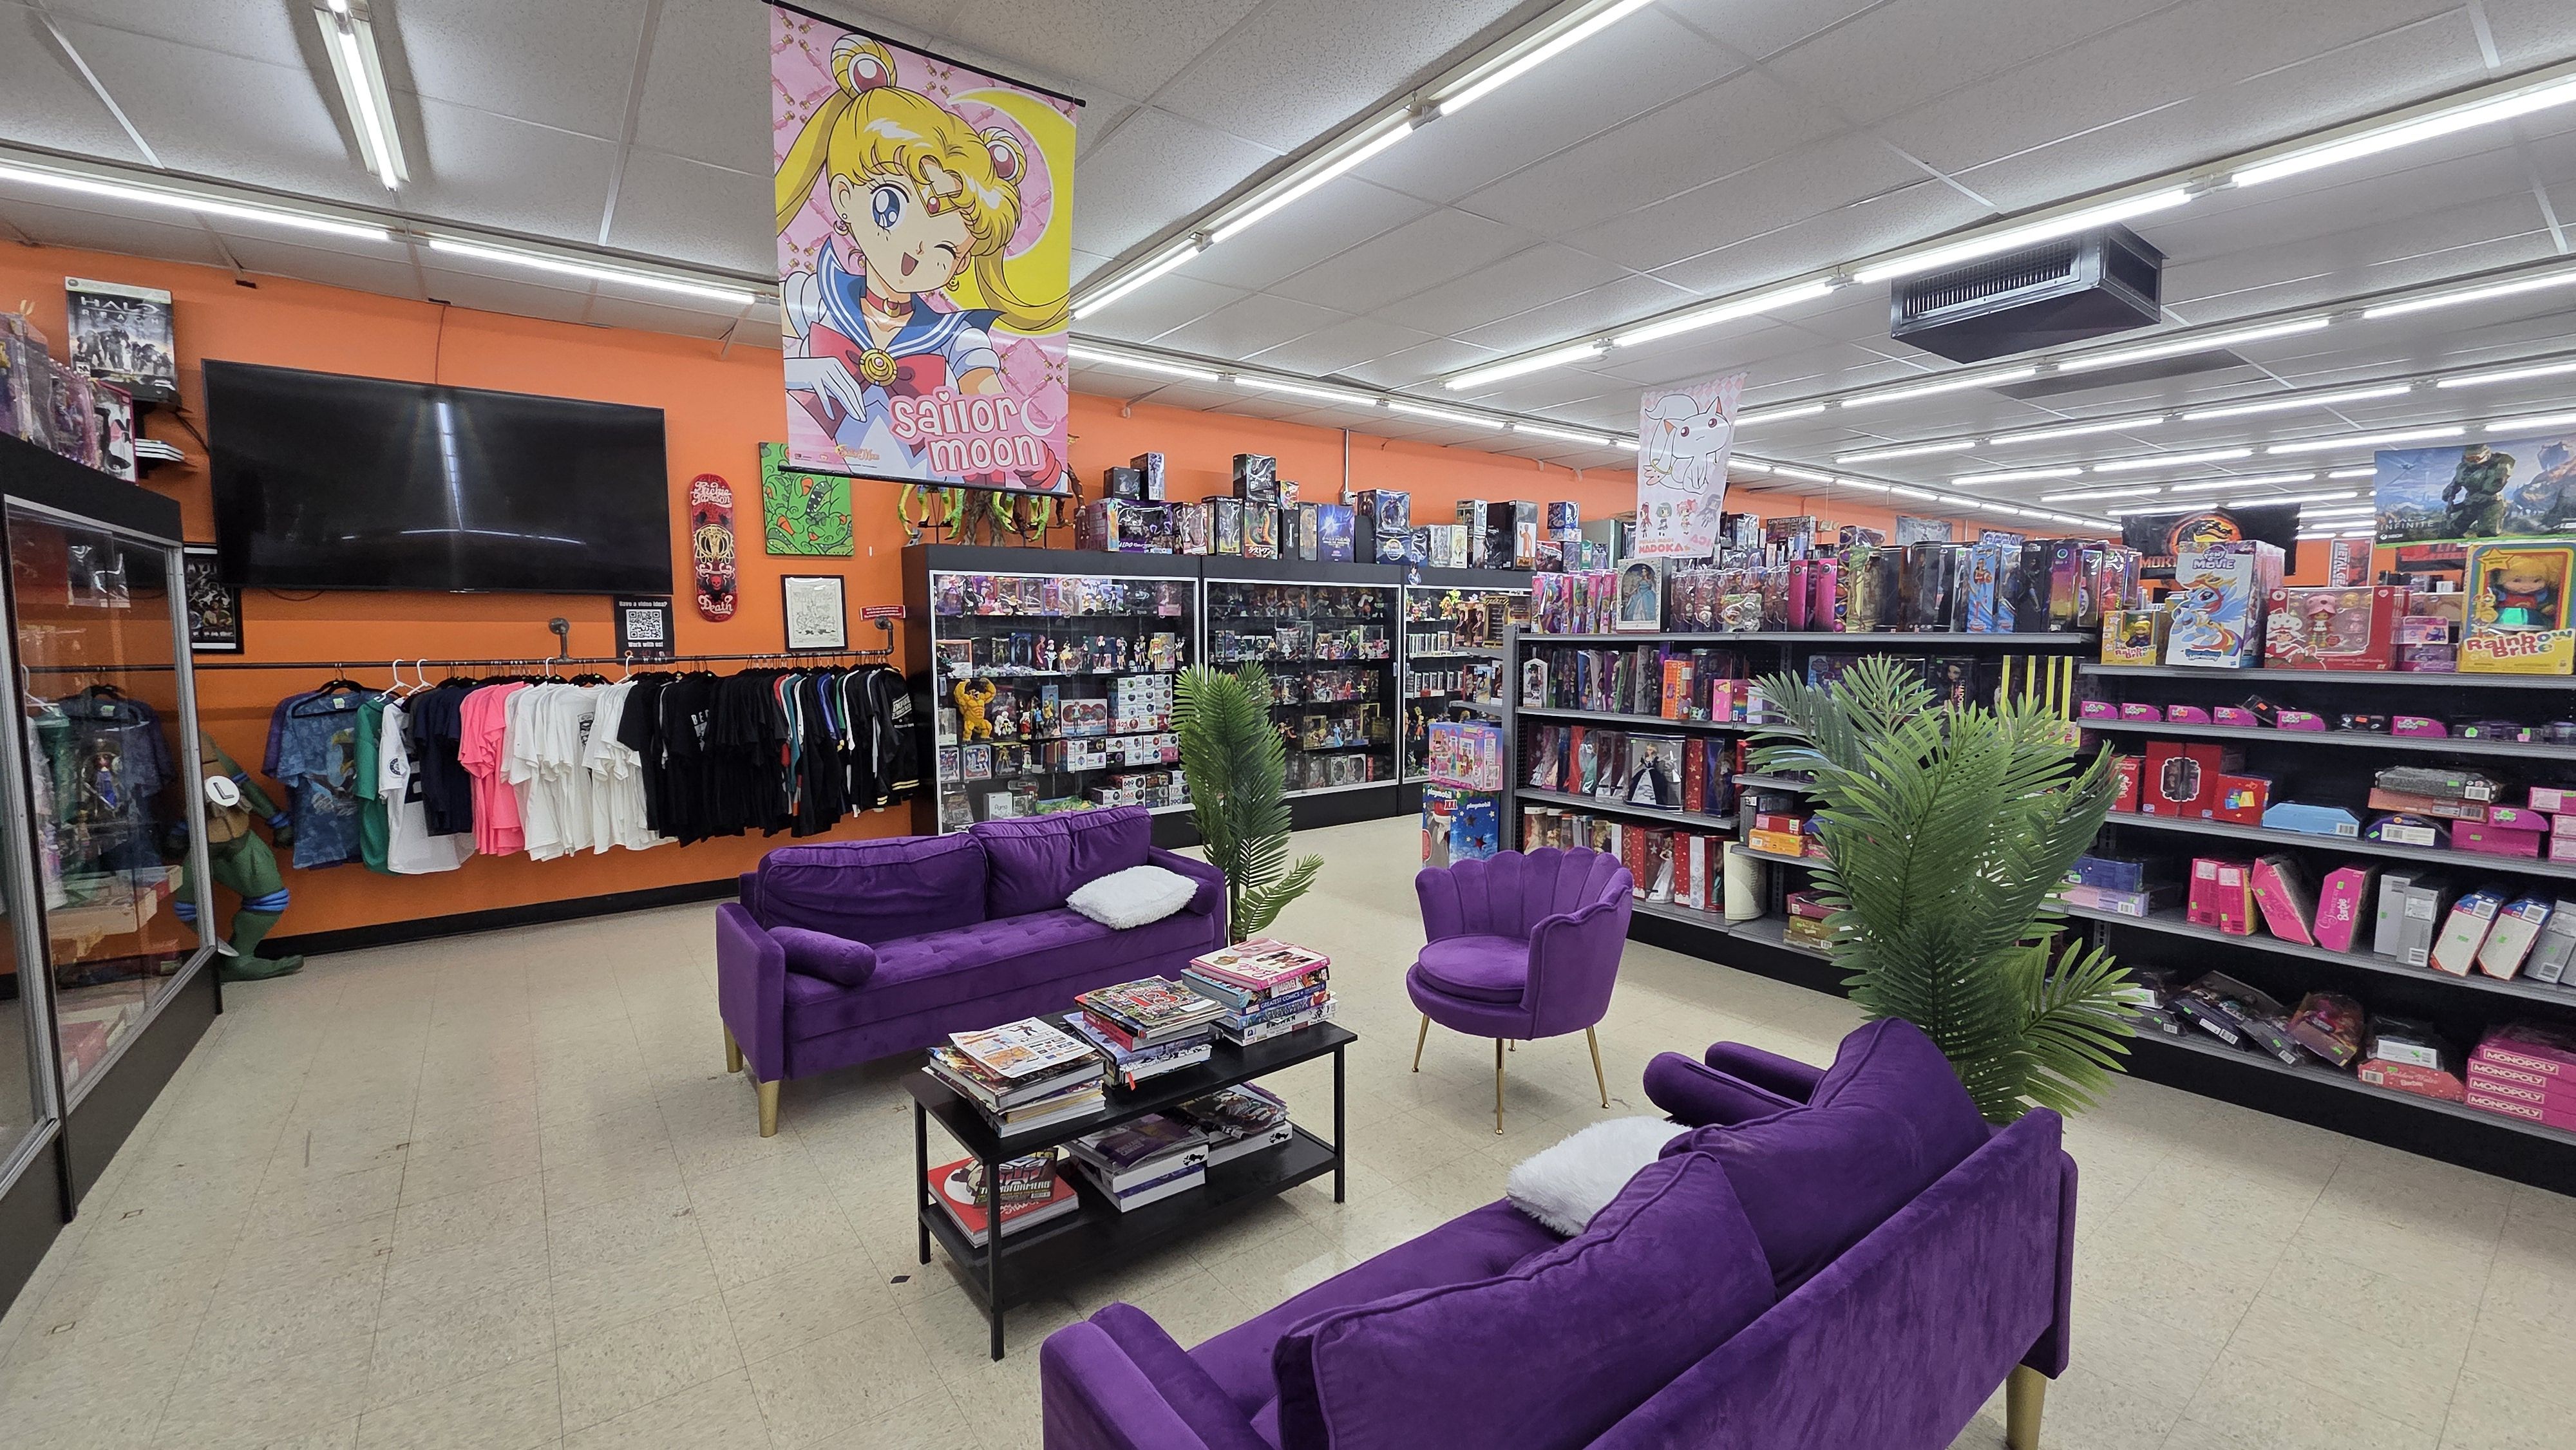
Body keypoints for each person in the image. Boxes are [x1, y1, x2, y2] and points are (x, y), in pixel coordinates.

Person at [774, 35, 1065, 486]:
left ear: (960, 263)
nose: (917, 251)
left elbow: (987, 393)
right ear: (844, 199)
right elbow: (779, 368)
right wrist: (805, 372)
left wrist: (1041, 464)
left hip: (914, 473)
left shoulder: (957, 337)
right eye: (889, 208)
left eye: (945, 249)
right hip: (826, 469)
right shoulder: (811, 297)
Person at [2443, 442, 2515, 538]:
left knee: (2487, 533)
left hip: (2491, 502)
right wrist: (2450, 491)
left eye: (2476, 458)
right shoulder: (2463, 467)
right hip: (2470, 501)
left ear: (2486, 455)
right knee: (2452, 530)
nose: (2473, 461)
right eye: (2470, 459)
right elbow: (2457, 481)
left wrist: (2459, 506)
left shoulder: (2498, 465)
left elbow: (2490, 489)